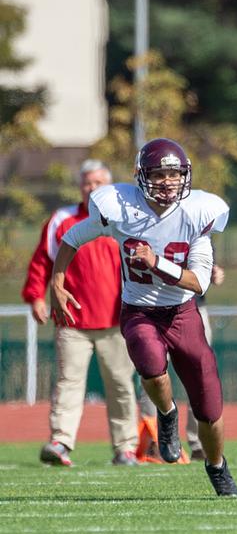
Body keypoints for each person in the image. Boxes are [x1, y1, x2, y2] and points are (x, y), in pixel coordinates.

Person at [49, 138, 237, 497]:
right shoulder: (119, 207)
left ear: (185, 176)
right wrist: (57, 283)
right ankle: (166, 415)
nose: (167, 181)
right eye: (159, 173)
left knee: (210, 407)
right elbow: (73, 237)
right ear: (142, 176)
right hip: (139, 310)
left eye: (174, 173)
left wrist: (156, 262)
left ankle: (217, 468)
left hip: (183, 314)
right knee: (150, 362)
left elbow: (197, 282)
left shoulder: (198, 214)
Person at [22, 160, 139, 467]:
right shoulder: (63, 219)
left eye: (99, 182)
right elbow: (41, 261)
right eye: (87, 182)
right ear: (80, 186)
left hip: (116, 321)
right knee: (68, 382)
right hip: (71, 319)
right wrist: (36, 296)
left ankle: (125, 448)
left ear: (109, 186)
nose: (92, 188)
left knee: (121, 384)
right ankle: (60, 442)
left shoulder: (123, 220)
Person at [136, 264, 224, 463]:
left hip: (193, 308)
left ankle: (200, 443)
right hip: (153, 307)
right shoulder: (147, 233)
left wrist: (213, 273)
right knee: (153, 374)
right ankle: (154, 439)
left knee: (200, 377)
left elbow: (204, 266)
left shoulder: (201, 233)